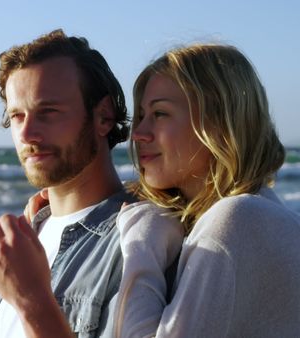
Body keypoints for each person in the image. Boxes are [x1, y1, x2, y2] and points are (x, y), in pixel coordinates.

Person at [115, 43, 300, 337]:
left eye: (160, 114)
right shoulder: (264, 215)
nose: (138, 133)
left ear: (219, 123)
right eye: (140, 115)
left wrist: (142, 241)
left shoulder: (237, 219)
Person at [0, 29, 137, 338]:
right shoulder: (20, 241)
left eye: (48, 112)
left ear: (103, 117)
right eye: (17, 116)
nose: (27, 134)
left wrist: (30, 300)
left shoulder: (137, 240)